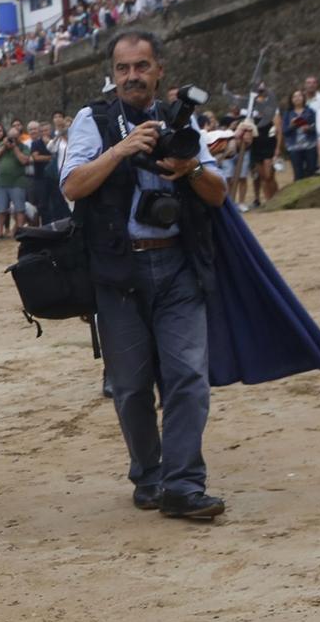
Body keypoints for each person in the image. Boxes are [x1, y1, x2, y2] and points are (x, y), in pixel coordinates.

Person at [60, 31, 227, 521]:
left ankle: (182, 484)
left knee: (188, 377)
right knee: (131, 387)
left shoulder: (183, 121)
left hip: (177, 263)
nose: (132, 75)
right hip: (119, 268)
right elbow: (72, 185)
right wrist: (121, 149)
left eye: (141, 66)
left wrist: (190, 167)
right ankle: (148, 475)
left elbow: (217, 194)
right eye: (122, 68)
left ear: (159, 71)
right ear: (113, 75)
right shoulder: (93, 120)